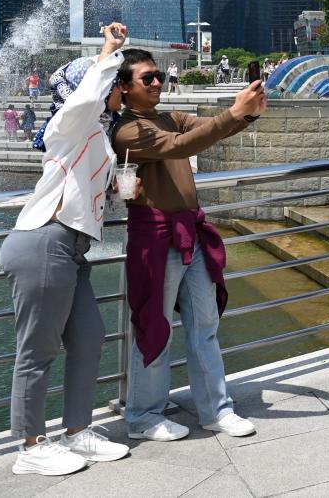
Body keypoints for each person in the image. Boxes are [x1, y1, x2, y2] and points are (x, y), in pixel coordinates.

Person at [1, 24, 133, 476]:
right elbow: (82, 101)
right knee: (37, 351)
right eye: (116, 85)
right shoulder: (69, 123)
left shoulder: (94, 136)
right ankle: (30, 446)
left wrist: (117, 187)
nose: (120, 91)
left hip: (71, 250)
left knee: (90, 337)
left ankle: (77, 431)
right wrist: (108, 54)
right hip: (43, 241)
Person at [113, 49, 265, 441]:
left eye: (159, 75)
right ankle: (144, 415)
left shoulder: (169, 117)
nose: (157, 83)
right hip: (154, 237)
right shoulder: (128, 131)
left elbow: (208, 129)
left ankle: (216, 409)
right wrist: (234, 114)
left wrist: (245, 112)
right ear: (125, 87)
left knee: (206, 325)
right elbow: (179, 147)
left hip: (191, 233)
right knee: (154, 327)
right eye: (147, 78)